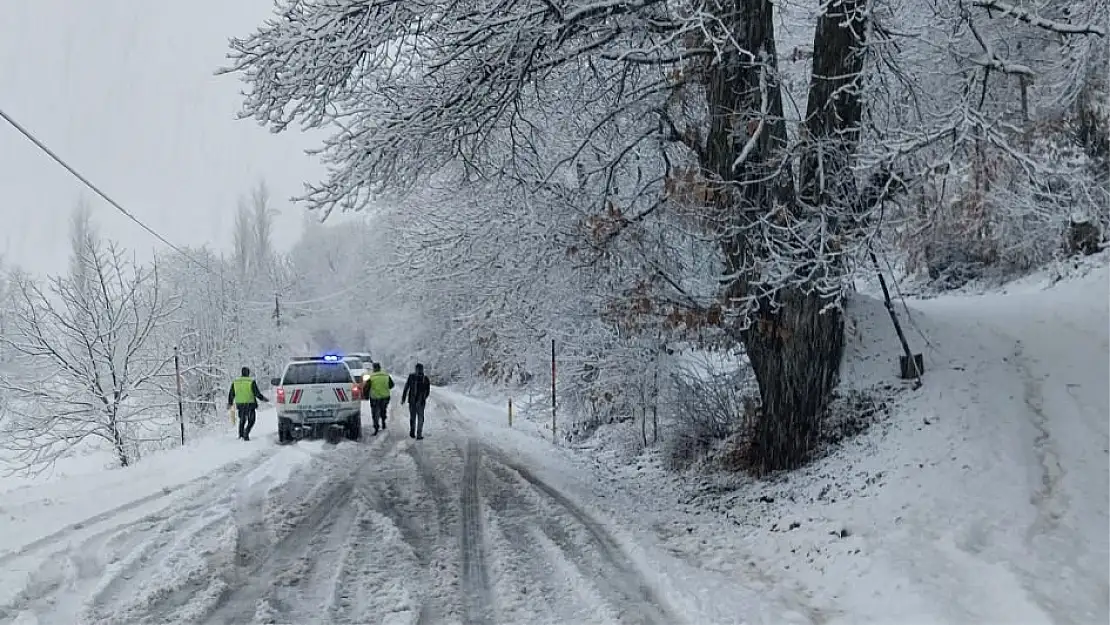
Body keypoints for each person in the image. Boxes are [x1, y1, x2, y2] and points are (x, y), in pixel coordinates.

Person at [227, 366, 268, 441]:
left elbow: (231, 394)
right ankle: (246, 432)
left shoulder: (235, 382)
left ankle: (241, 435)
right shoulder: (251, 381)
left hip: (240, 404)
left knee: (242, 419)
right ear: (248, 373)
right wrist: (263, 399)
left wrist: (230, 403)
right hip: (250, 404)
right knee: (251, 420)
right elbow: (257, 393)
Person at [401, 363, 431, 439]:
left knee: (412, 417)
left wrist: (403, 398)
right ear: (422, 369)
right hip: (421, 402)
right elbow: (428, 391)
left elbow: (406, 388)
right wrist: (423, 398)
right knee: (421, 418)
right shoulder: (426, 378)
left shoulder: (411, 377)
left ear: (416, 369)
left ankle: (412, 432)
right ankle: (419, 434)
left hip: (412, 401)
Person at [364, 362, 394, 435]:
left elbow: (366, 388)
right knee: (383, 410)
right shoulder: (386, 375)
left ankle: (376, 427)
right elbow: (391, 385)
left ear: (374, 368)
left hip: (375, 398)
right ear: (380, 368)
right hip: (385, 397)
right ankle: (383, 421)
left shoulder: (371, 377)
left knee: (375, 413)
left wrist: (366, 396)